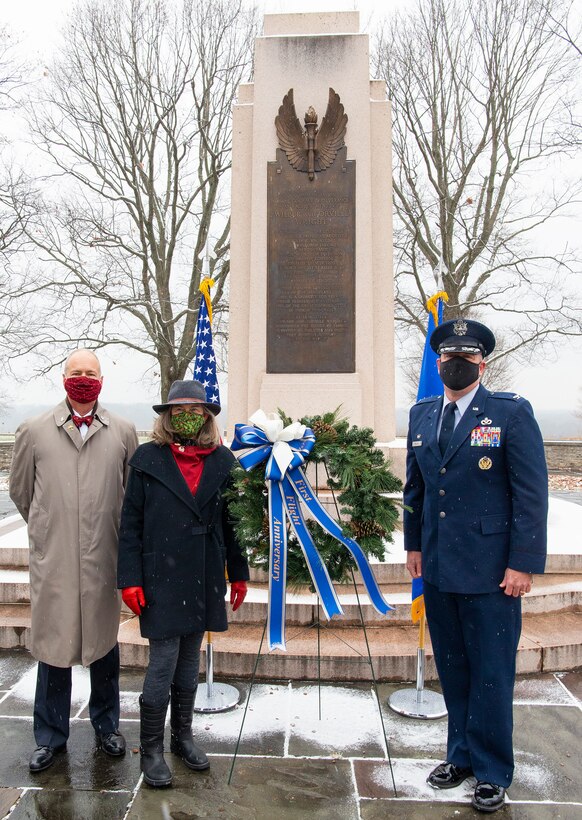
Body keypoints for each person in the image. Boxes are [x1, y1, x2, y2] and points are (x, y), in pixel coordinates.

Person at [403, 318, 548, 813]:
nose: (456, 365)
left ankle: (491, 771)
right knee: (455, 669)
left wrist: (523, 563)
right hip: (440, 566)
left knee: (490, 671)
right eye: (448, 358)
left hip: (492, 571)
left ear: (482, 363)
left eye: (466, 358)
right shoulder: (422, 414)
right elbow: (416, 489)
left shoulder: (510, 413)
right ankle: (460, 756)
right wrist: (414, 546)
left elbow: (531, 493)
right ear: (437, 363)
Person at [9, 349, 139, 772]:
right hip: (56, 561)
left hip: (104, 557)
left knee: (104, 647)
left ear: (102, 380)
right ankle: (50, 736)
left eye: (91, 373)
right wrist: (49, 528)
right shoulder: (34, 430)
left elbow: (131, 494)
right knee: (53, 647)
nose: (83, 378)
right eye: (76, 372)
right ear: (63, 377)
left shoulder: (121, 431)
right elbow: (22, 491)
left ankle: (107, 726)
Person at [117, 379, 249, 788]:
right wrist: (130, 579)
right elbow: (130, 525)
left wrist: (239, 571)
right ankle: (152, 748)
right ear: (167, 416)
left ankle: (183, 736)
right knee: (162, 663)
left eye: (196, 410)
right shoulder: (146, 458)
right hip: (160, 574)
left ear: (208, 416)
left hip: (204, 571)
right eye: (180, 410)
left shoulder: (223, 461)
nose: (188, 416)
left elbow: (234, 523)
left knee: (191, 658)